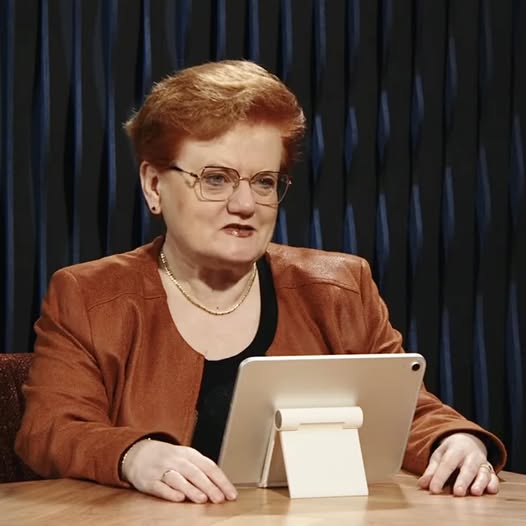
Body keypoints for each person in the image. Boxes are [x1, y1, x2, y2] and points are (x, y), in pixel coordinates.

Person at [16, 60, 506, 504]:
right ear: (154, 185)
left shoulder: (339, 288)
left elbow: (408, 412)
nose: (245, 204)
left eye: (264, 182)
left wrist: (454, 440)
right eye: (216, 179)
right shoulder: (88, 295)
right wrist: (133, 455)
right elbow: (51, 428)